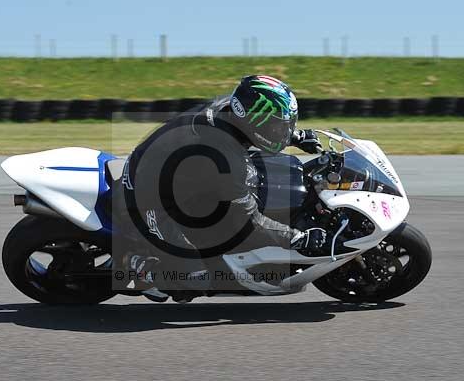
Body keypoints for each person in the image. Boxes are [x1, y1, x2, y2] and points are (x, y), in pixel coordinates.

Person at [114, 75, 327, 302]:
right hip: (145, 197)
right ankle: (137, 264)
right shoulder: (223, 156)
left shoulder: (230, 108)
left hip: (173, 171)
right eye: (278, 126)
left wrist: (295, 136)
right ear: (254, 118)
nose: (281, 131)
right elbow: (249, 222)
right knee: (195, 280)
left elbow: (259, 127)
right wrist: (296, 237)